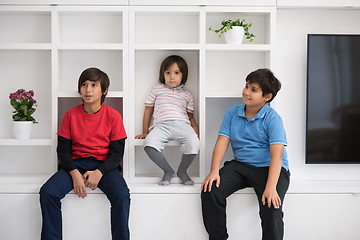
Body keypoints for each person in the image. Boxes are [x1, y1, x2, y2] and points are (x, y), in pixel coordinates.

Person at [39, 67, 130, 240]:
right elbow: (63, 150)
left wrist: (100, 172)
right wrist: (74, 173)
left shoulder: (113, 116)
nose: (88, 90)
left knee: (122, 195)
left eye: (94, 85)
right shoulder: (70, 116)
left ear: (104, 90)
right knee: (48, 192)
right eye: (84, 84)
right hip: (75, 165)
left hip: (104, 167)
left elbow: (117, 153)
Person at [201, 68, 290, 240]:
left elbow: (277, 157)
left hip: (270, 168)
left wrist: (271, 188)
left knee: (271, 206)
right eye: (246, 86)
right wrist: (214, 171)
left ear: (267, 97)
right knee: (210, 189)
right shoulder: (232, 113)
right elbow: (222, 142)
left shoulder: (273, 119)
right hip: (241, 165)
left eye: (253, 90)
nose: (246, 92)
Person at [135, 55, 200, 186]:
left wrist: (196, 131)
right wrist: (145, 131)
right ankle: (168, 171)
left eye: (176, 73)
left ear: (183, 75)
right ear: (162, 74)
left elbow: (190, 116)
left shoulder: (187, 94)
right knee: (149, 144)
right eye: (168, 73)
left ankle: (182, 171)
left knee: (194, 143)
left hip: (182, 125)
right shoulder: (157, 89)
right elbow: (148, 110)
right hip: (161, 125)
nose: (172, 77)